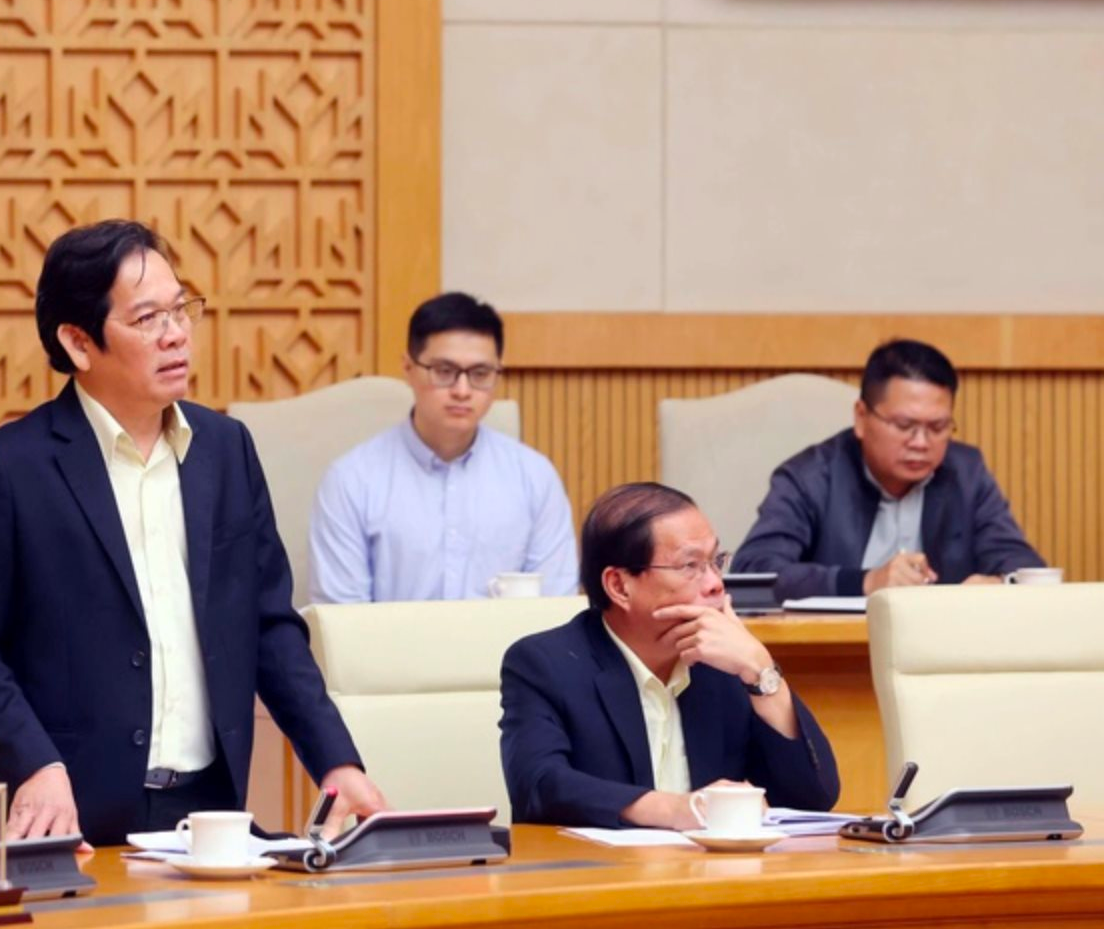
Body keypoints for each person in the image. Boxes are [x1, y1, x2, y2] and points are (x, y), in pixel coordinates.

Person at [0, 220, 387, 846]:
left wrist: (337, 762)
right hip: (64, 817)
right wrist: (35, 764)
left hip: (206, 814)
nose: (176, 334)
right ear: (78, 342)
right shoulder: (10, 468)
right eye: (147, 319)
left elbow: (269, 627)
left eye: (181, 310)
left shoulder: (226, 450)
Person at [500, 483, 839, 829]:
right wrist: (674, 810)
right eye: (690, 565)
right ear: (619, 586)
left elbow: (813, 797)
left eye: (715, 561)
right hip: (601, 863)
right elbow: (538, 786)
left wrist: (761, 671)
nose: (716, 583)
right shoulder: (546, 665)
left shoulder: (724, 665)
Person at [307, 292, 577, 603]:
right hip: (390, 639)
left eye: (480, 374)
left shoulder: (535, 477)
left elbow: (555, 605)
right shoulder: (351, 480)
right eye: (444, 371)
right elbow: (341, 616)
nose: (462, 391)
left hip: (511, 639)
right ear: (408, 367)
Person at [732, 339, 1043, 599]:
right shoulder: (810, 476)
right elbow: (754, 572)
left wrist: (1000, 583)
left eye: (938, 427)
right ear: (861, 417)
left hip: (942, 647)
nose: (921, 442)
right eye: (904, 425)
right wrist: (865, 582)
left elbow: (1027, 567)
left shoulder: (966, 473)